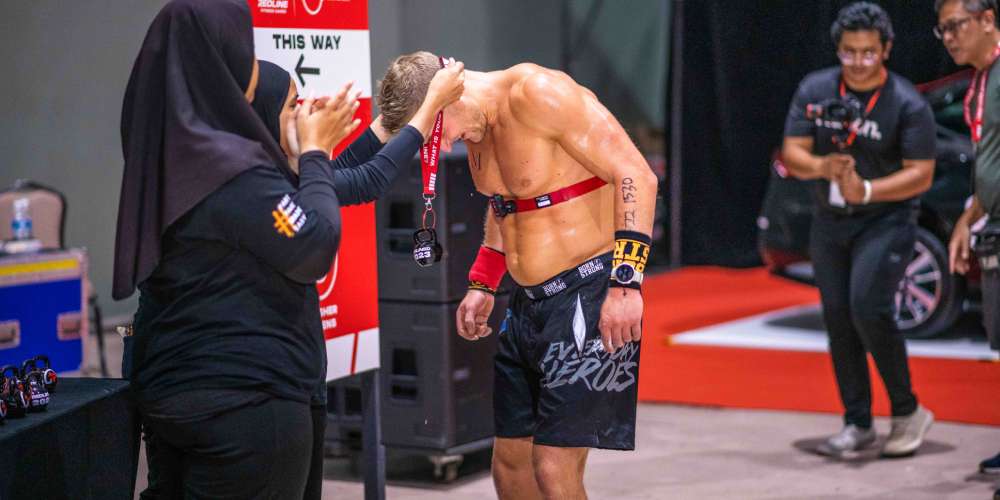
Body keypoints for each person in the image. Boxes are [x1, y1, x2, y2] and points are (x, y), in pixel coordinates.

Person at [112, 1, 461, 497]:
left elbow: (349, 181)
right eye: (247, 54)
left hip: (173, 386)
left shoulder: (183, 156)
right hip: (244, 403)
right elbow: (314, 242)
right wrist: (318, 151)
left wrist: (388, 124)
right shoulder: (236, 174)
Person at [377, 53, 657, 500]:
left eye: (434, 130)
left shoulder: (538, 94)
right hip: (526, 301)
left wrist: (626, 284)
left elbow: (636, 175)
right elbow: (506, 201)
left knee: (553, 468)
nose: (442, 146)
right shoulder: (477, 127)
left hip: (587, 289)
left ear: (449, 96)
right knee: (509, 468)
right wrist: (483, 280)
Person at [249, 59, 465, 500]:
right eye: (294, 105)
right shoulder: (262, 181)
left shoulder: (286, 174)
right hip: (270, 377)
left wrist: (390, 122)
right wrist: (428, 112)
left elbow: (342, 171)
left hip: (299, 368)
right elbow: (367, 181)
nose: (305, 114)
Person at [781, 2, 936, 458]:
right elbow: (793, 152)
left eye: (869, 52)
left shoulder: (907, 102)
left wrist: (865, 190)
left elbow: (921, 173)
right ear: (839, 50)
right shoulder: (815, 88)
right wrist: (822, 166)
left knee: (867, 307)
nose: (859, 61)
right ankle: (857, 422)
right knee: (838, 319)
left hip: (886, 219)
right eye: (850, 52)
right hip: (830, 222)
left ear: (886, 50)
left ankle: (908, 410)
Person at [935, 0, 1000, 493]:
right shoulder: (981, 80)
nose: (950, 37)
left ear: (988, 20)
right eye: (943, 30)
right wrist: (967, 218)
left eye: (957, 25)